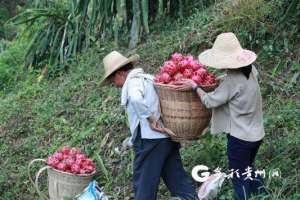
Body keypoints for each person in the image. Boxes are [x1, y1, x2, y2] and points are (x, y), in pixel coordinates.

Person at [176, 32, 267, 200]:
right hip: (256, 135)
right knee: (248, 168)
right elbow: (239, 83)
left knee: (239, 178)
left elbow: (210, 101)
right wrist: (225, 78)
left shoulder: (232, 82)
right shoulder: (251, 70)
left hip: (240, 138)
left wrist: (195, 86)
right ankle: (264, 194)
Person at [100, 51, 198, 200]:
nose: (115, 85)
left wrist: (150, 118)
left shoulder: (133, 82)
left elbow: (135, 99)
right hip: (166, 137)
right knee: (177, 179)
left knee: (144, 184)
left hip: (150, 141)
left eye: (113, 80)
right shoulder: (150, 79)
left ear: (119, 74)